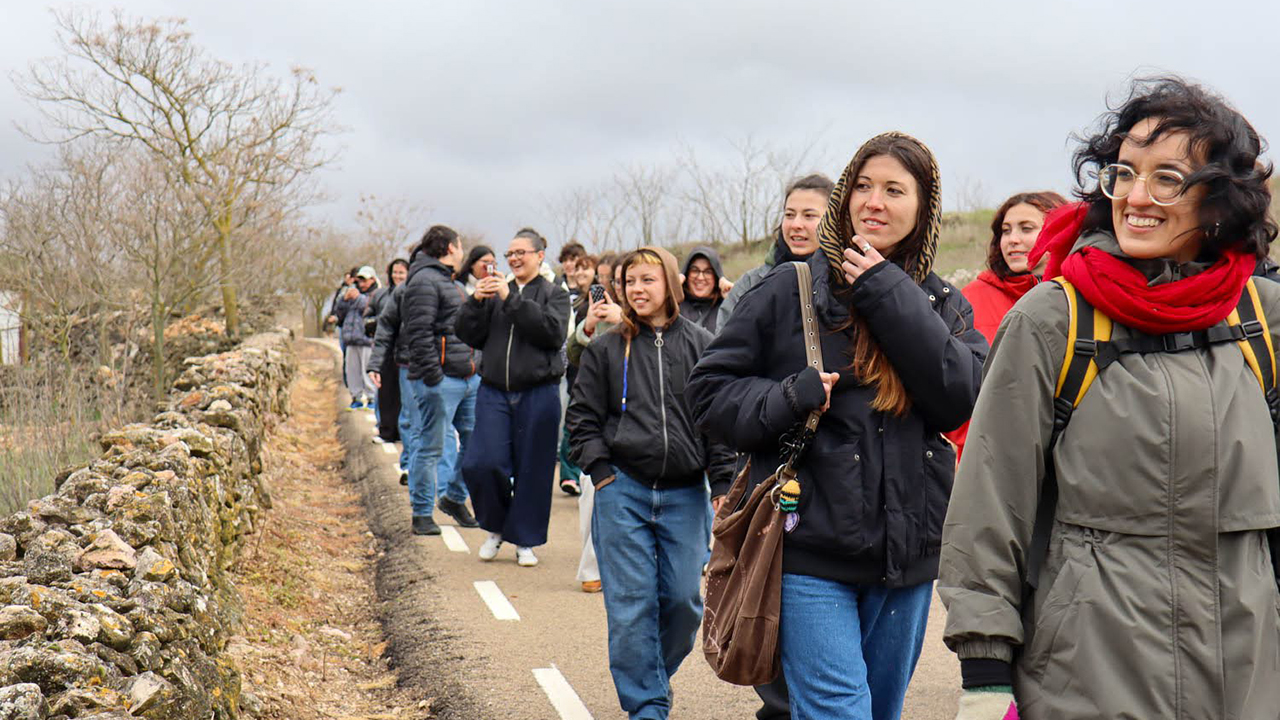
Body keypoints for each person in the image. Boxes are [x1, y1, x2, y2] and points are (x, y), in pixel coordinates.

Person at [939, 77, 1280, 720]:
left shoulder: (1264, 322)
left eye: (1167, 179)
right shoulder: (1053, 320)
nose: (1136, 197)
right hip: (1087, 676)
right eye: (1123, 173)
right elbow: (990, 499)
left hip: (1251, 677)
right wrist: (984, 677)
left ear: (1220, 200)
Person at [688, 132, 986, 720]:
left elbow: (958, 396)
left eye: (895, 190)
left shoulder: (944, 304)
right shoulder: (787, 288)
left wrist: (884, 289)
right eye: (864, 186)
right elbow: (710, 393)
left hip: (907, 560)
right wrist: (788, 396)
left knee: (879, 713)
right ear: (846, 197)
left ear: (923, 209)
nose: (875, 201)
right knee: (838, 713)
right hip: (808, 551)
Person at [567, 246, 735, 720]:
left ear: (670, 285)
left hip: (685, 495)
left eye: (647, 280)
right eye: (629, 282)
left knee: (684, 603)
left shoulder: (702, 344)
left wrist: (721, 480)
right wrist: (600, 472)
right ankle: (647, 705)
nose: (637, 290)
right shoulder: (604, 348)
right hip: (624, 490)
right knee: (631, 607)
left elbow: (716, 419)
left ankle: (649, 678)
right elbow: (581, 418)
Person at [457, 227, 571, 567]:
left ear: (539, 256)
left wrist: (512, 299)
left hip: (539, 391)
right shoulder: (492, 295)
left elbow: (551, 333)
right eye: (510, 254)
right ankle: (495, 525)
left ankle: (524, 539)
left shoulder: (555, 294)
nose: (514, 259)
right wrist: (477, 302)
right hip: (493, 390)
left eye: (521, 253)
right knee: (481, 462)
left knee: (533, 470)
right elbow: (466, 332)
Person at [943, 191, 1067, 460]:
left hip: (1064, 463)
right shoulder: (970, 299)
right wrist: (989, 441)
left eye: (1027, 228)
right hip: (987, 462)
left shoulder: (1078, 299)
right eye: (1005, 231)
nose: (1012, 240)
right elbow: (948, 387)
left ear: (1061, 231)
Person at [396, 226, 480, 535]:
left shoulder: (447, 281)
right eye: (460, 246)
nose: (462, 252)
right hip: (440, 380)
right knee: (430, 447)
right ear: (447, 247)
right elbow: (418, 333)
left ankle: (454, 498)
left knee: (476, 442)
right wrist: (434, 376)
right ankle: (421, 514)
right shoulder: (424, 281)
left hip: (467, 378)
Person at [719, 174, 835, 329]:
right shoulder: (751, 284)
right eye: (789, 215)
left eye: (809, 215)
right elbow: (723, 346)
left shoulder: (847, 283)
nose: (796, 224)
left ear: (833, 221)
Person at [558, 254, 600, 496]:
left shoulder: (599, 301)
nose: (582, 274)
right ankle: (569, 474)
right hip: (574, 370)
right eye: (579, 269)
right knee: (570, 425)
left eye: (587, 269)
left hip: (591, 371)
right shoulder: (572, 301)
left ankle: (580, 472)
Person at [368, 258, 409, 442]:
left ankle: (402, 432)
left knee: (404, 396)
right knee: (386, 393)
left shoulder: (412, 293)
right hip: (386, 351)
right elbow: (368, 320)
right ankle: (386, 431)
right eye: (395, 272)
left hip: (406, 352)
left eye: (401, 272)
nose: (397, 276)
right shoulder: (380, 295)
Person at [335, 266, 380, 408]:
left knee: (367, 370)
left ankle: (372, 398)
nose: (362, 284)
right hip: (351, 339)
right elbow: (339, 312)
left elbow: (370, 307)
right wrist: (344, 300)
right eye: (360, 280)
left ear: (372, 279)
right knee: (352, 371)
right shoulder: (351, 292)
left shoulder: (377, 293)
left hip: (367, 339)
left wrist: (356, 298)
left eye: (365, 280)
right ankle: (356, 397)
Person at [678, 247, 730, 334]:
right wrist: (670, 291)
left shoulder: (725, 308)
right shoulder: (673, 306)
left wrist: (733, 300)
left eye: (708, 272)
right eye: (695, 270)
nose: (700, 277)